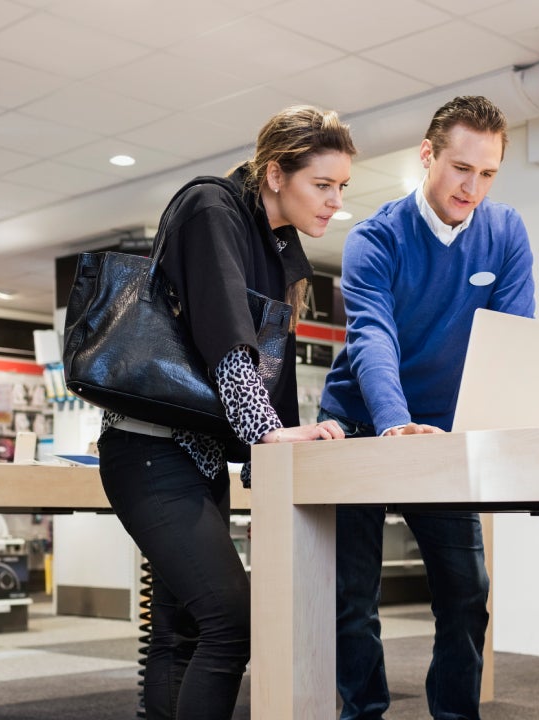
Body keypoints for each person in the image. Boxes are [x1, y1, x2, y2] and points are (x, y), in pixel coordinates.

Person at [96, 105, 355, 720]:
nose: (335, 201)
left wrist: (271, 469)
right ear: (275, 174)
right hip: (149, 449)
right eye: (322, 184)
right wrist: (265, 433)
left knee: (183, 630)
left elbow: (272, 361)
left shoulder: (278, 243)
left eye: (342, 187)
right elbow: (227, 336)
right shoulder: (211, 207)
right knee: (231, 621)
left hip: (197, 457)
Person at [319, 95, 536, 720]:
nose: (473, 187)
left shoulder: (505, 233)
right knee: (352, 597)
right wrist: (393, 423)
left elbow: (513, 338)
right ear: (426, 155)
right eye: (461, 168)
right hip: (361, 424)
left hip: (441, 432)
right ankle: (363, 712)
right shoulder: (375, 238)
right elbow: (372, 336)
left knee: (467, 592)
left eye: (488, 173)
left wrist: (504, 421)